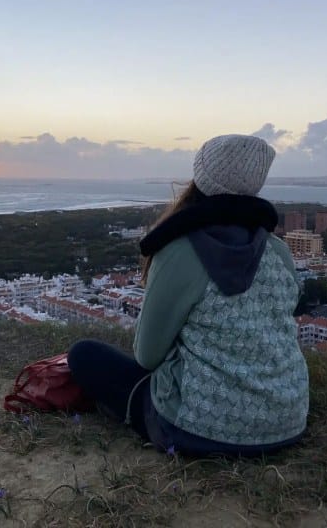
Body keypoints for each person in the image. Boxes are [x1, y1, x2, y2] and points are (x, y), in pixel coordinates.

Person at [68, 134, 309, 456]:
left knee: (84, 354)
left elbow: (147, 356)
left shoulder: (180, 251)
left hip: (196, 429)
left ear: (201, 175)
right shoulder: (279, 252)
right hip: (286, 422)